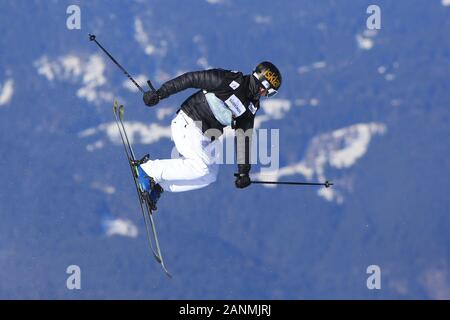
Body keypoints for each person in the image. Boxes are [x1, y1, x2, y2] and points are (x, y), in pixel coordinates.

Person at [137, 61, 282, 209]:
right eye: (268, 91)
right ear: (261, 83)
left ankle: (159, 185)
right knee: (201, 167)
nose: (265, 95)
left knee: (209, 176)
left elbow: (243, 137)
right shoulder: (229, 81)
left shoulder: (251, 106)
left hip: (205, 137)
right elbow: (192, 79)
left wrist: (243, 172)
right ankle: (148, 170)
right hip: (188, 122)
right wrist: (160, 93)